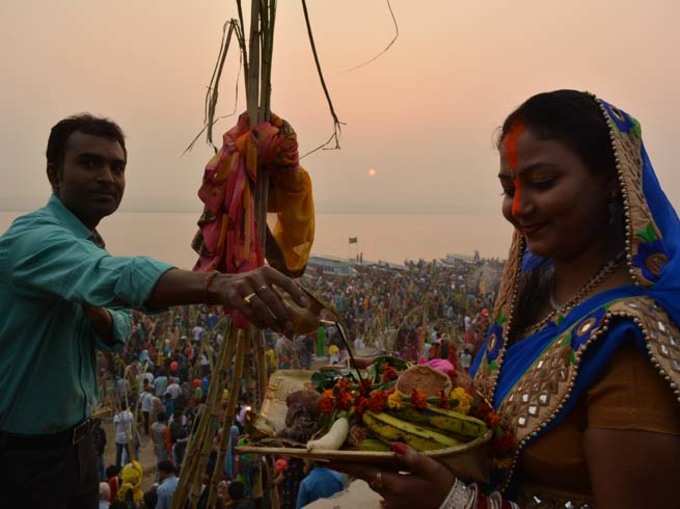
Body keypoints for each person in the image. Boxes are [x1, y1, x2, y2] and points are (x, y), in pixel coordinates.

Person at [326, 91, 680, 508]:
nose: (518, 207)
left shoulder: (630, 345)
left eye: (542, 183)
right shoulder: (536, 296)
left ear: (609, 181)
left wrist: (454, 502)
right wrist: (416, 388)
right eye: (507, 188)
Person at [0, 114, 311, 509]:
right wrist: (220, 284)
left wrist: (95, 312)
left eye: (117, 167)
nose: (107, 177)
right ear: (53, 173)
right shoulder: (33, 238)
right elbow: (120, 274)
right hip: (26, 458)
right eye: (89, 163)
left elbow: (121, 327)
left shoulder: (86, 244)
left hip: (76, 450)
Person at [113, 403, 134, 468]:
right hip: (128, 436)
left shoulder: (117, 416)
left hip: (119, 437)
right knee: (129, 453)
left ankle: (118, 467)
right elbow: (132, 423)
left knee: (119, 453)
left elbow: (115, 425)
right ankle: (130, 465)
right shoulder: (130, 414)